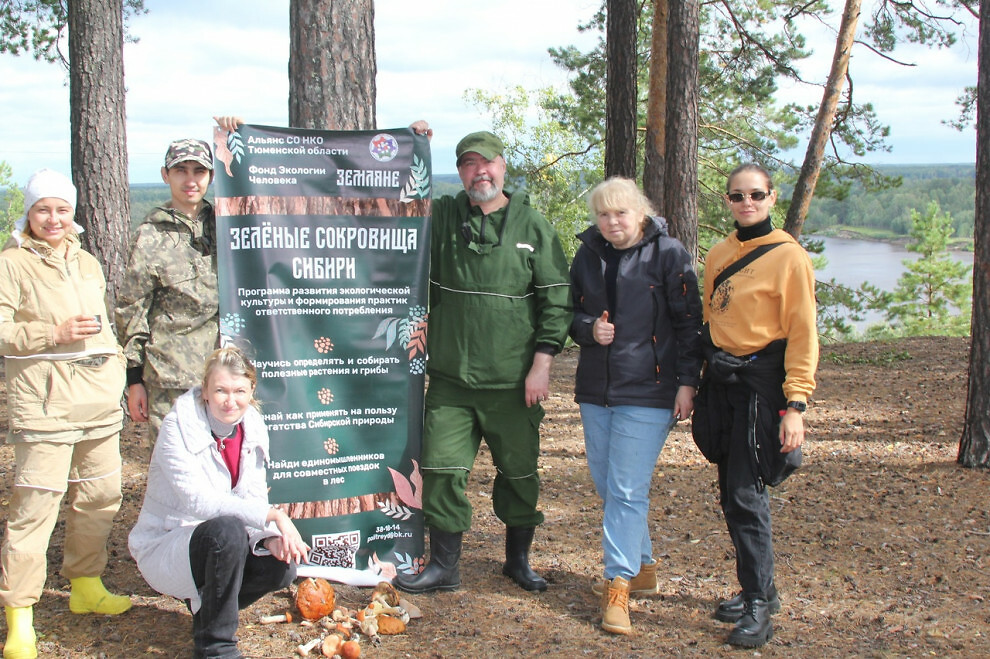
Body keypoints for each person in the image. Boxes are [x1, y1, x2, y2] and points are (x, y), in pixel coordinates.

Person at [393, 122, 572, 594]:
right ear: (460, 173)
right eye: (468, 164)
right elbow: (399, 199)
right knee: (442, 470)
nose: (479, 172)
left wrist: (542, 365)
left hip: (514, 383)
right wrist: (413, 145)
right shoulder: (446, 216)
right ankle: (445, 568)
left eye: (486, 162)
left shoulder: (534, 227)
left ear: (502, 166)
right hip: (451, 381)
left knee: (518, 473)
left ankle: (518, 561)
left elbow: (556, 300)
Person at [0, 169, 131, 659]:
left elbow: (101, 326)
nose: (53, 219)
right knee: (36, 509)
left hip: (98, 399)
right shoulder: (11, 263)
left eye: (61, 209)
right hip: (44, 404)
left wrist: (117, 365)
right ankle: (20, 617)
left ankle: (85, 585)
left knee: (100, 496)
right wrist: (50, 334)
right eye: (43, 209)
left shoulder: (87, 261)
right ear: (29, 214)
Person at [569, 177, 703, 634]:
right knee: (608, 487)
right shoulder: (587, 253)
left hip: (650, 391)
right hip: (596, 390)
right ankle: (643, 567)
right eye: (603, 214)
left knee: (626, 491)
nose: (611, 222)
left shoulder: (668, 254)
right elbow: (569, 313)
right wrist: (589, 330)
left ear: (640, 213)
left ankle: (618, 589)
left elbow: (690, 325)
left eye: (620, 213)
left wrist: (688, 384)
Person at [697, 163, 818, 647]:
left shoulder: (790, 258)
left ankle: (758, 606)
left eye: (756, 195)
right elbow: (711, 318)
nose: (746, 203)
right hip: (723, 384)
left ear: (771, 197)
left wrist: (796, 404)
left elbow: (803, 333)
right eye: (736, 196)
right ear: (727, 201)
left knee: (747, 496)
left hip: (762, 387)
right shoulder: (720, 253)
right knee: (732, 492)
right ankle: (761, 586)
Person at [129, 345, 308, 659]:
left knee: (281, 568)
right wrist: (274, 516)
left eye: (239, 390)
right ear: (205, 392)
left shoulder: (252, 425)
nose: (230, 400)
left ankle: (208, 608)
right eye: (221, 390)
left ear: (252, 389)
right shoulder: (177, 426)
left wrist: (267, 539)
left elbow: (251, 497)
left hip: (220, 544)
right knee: (226, 530)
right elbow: (199, 502)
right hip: (168, 543)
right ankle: (216, 647)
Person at [115, 138, 219, 445]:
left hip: (224, 377)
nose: (190, 180)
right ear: (165, 175)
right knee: (175, 473)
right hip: (169, 378)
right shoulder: (149, 235)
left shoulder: (228, 226)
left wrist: (236, 132)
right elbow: (131, 310)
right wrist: (134, 380)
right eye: (181, 171)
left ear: (210, 177)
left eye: (199, 171)